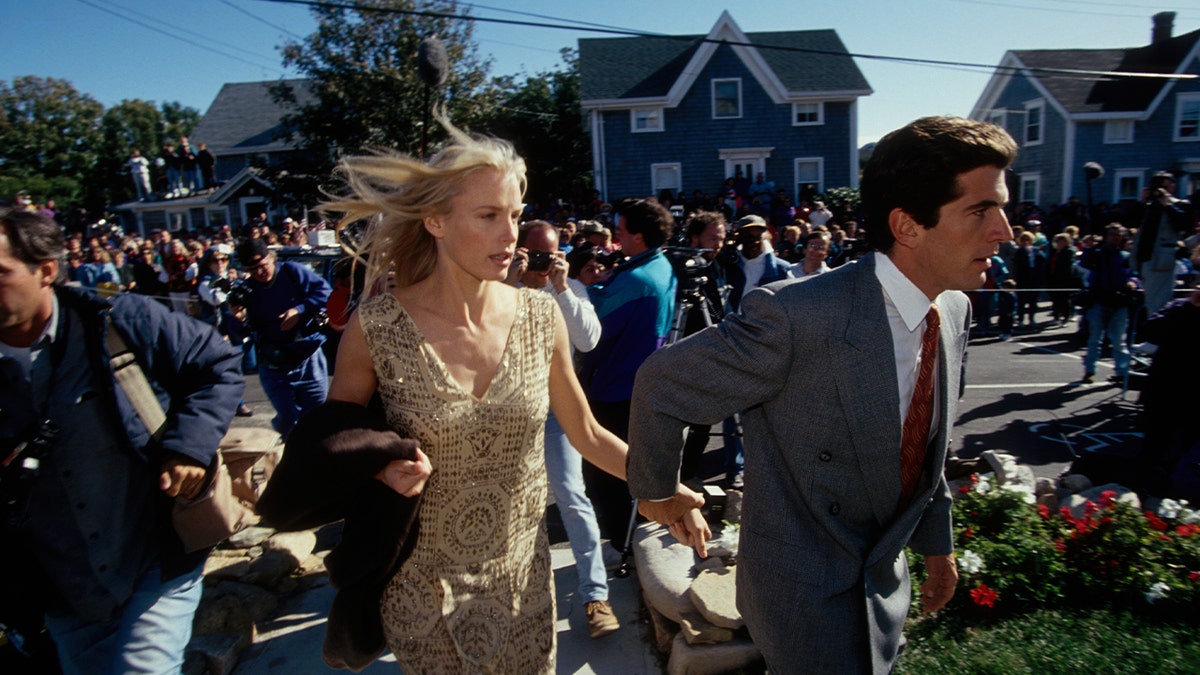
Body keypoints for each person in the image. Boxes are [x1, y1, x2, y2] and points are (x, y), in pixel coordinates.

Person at [628, 116, 1019, 672]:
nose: (1004, 229)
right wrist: (658, 493)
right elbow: (663, 383)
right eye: (980, 210)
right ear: (908, 226)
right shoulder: (796, 315)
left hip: (882, 587)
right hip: (799, 597)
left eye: (1001, 207)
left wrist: (939, 546)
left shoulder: (954, 310)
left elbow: (926, 447)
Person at [319, 125, 705, 671]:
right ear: (435, 221)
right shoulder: (377, 326)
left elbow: (587, 433)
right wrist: (379, 470)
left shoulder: (539, 317)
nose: (511, 235)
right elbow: (333, 443)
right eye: (488, 216)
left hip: (522, 586)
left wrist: (661, 489)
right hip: (423, 593)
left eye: (516, 215)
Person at [0, 208, 244, 674]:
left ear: (45, 270)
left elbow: (216, 363)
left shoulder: (115, 321)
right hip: (63, 589)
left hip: (154, 558)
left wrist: (187, 446)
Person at [504, 220, 619, 638]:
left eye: (548, 256)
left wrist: (562, 287)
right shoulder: (499, 290)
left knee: (572, 495)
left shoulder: (568, 290)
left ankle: (595, 596)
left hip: (557, 408)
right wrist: (511, 282)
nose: (539, 264)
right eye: (532, 255)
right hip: (507, 410)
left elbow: (588, 340)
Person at [577, 198, 679, 552]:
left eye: (620, 231)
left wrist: (580, 284)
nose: (616, 238)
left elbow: (593, 323)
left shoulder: (636, 278)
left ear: (637, 235)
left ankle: (623, 545)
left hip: (615, 388)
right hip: (640, 382)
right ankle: (632, 541)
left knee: (605, 474)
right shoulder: (660, 266)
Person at [231, 238, 330, 438]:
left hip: (307, 356)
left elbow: (326, 293)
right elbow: (240, 331)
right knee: (288, 417)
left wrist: (299, 310)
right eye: (252, 269)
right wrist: (238, 317)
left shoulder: (292, 272)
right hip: (274, 361)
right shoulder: (247, 291)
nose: (259, 273)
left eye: (262, 265)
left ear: (271, 258)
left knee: (318, 415)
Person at [1079, 223, 1140, 385]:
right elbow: (1084, 263)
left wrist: (1133, 282)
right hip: (1099, 299)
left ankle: (1121, 372)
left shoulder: (1125, 256)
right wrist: (1089, 247)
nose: (1115, 237)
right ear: (1106, 236)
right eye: (1112, 234)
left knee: (1119, 339)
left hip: (1120, 301)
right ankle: (1089, 370)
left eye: (1118, 235)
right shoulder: (1097, 254)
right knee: (1094, 338)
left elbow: (1135, 274)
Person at [1134, 172, 1192, 314]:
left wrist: (1167, 204)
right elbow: (1130, 222)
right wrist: (1142, 202)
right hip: (1142, 257)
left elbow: (1183, 225)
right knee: (1145, 303)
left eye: (1165, 186)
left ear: (1172, 187)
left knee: (1158, 303)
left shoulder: (1179, 204)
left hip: (1161, 259)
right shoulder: (1148, 205)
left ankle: (1155, 333)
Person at [718, 214, 792, 313]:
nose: (755, 242)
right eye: (749, 237)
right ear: (740, 238)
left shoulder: (782, 269)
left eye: (758, 236)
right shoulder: (728, 266)